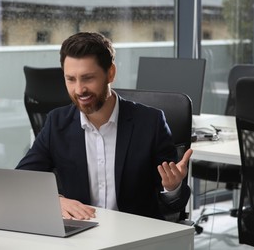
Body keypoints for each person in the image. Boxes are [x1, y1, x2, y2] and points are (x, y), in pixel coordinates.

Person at [17, 32, 192, 221]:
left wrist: (173, 188)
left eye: (88, 78)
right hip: (80, 233)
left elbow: (173, 205)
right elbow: (22, 179)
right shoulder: (57, 122)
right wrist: (55, 200)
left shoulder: (151, 123)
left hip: (134, 235)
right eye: (71, 79)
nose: (79, 89)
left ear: (110, 73)